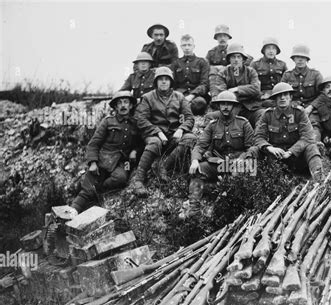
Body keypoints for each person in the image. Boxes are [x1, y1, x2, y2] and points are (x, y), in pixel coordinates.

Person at [179, 91, 255, 219]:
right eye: (222, 104)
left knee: (243, 175)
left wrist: (243, 159)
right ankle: (194, 209)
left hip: (238, 163)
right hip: (219, 164)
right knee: (199, 170)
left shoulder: (243, 123)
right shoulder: (212, 125)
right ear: (218, 106)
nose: (225, 107)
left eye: (229, 104)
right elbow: (200, 145)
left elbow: (252, 147)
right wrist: (195, 160)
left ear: (234, 106)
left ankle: (238, 212)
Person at [71, 91, 139, 213]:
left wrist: (134, 150)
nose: (123, 105)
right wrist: (92, 163)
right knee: (86, 191)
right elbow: (93, 144)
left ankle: (99, 191)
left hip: (121, 162)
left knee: (121, 178)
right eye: (119, 103)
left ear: (131, 105)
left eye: (126, 102)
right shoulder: (108, 122)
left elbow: (140, 142)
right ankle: (69, 215)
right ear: (115, 107)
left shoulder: (135, 124)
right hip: (103, 160)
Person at [132, 67, 196, 197]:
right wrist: (157, 132)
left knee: (190, 138)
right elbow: (141, 119)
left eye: (166, 79)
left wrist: (181, 129)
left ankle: (164, 167)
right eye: (160, 79)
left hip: (173, 134)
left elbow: (189, 118)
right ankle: (138, 181)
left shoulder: (179, 97)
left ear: (171, 82)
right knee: (154, 143)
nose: (164, 82)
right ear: (156, 82)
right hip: (154, 135)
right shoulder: (148, 97)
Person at [253, 82, 322, 180]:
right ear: (275, 99)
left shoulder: (299, 113)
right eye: (279, 96)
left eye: (285, 95)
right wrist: (270, 148)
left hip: (296, 157)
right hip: (276, 158)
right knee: (253, 150)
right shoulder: (267, 114)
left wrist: (290, 152)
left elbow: (307, 137)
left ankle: (319, 180)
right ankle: (249, 181)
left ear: (290, 97)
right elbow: (258, 137)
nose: (282, 98)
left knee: (312, 147)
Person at [210, 42, 264, 127]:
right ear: (229, 59)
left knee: (262, 114)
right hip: (231, 110)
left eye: (239, 57)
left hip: (250, 108)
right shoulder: (223, 72)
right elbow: (223, 93)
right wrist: (246, 92)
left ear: (243, 59)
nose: (236, 59)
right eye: (233, 57)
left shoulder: (251, 72)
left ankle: (257, 137)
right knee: (210, 117)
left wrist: (237, 89)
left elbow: (256, 89)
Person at [281, 44, 323, 129]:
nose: (300, 60)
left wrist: (311, 107)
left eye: (303, 57)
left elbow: (322, 94)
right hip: (292, 107)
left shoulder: (315, 74)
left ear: (307, 59)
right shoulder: (287, 75)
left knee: (314, 125)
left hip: (311, 108)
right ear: (294, 59)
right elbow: (281, 93)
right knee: (288, 125)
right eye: (297, 57)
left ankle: (315, 142)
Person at [170, 34, 210, 115]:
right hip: (180, 94)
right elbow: (172, 83)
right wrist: (178, 95)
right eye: (184, 45)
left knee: (200, 103)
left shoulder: (202, 62)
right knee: (172, 103)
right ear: (181, 47)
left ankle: (184, 110)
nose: (187, 48)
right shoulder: (176, 63)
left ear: (193, 46)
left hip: (196, 95)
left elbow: (204, 84)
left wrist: (192, 95)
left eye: (189, 45)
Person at [250, 37, 288, 107]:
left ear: (277, 51)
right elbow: (251, 84)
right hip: (261, 98)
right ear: (264, 50)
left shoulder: (282, 65)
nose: (271, 51)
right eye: (268, 48)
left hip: (278, 96)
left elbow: (286, 83)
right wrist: (260, 95)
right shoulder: (255, 64)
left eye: (273, 48)